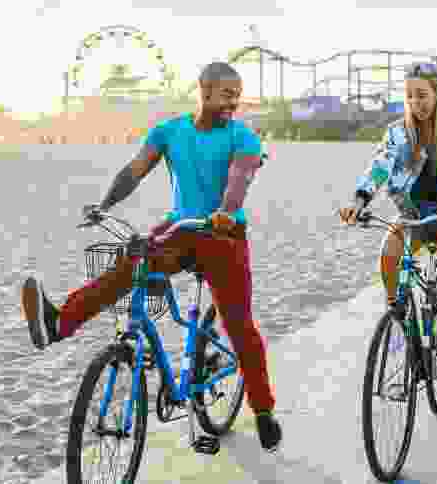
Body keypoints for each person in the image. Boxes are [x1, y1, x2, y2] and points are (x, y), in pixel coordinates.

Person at [19, 62, 282, 452]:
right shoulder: (169, 131)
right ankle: (58, 323)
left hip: (223, 234)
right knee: (129, 268)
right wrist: (105, 204)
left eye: (236, 96)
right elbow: (135, 170)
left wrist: (226, 211)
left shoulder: (242, 136)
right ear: (204, 92)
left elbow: (240, 179)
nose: (233, 103)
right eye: (226, 94)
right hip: (180, 228)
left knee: (239, 324)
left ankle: (262, 410)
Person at [339, 61, 437, 338]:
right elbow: (379, 166)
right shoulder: (397, 132)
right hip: (412, 214)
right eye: (409, 95)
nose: (414, 102)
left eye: (421, 95)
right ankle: (401, 324)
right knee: (389, 256)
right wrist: (359, 202)